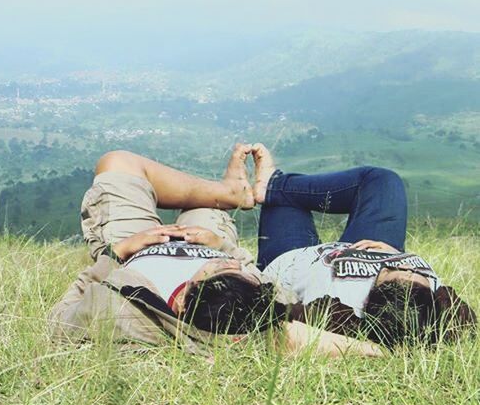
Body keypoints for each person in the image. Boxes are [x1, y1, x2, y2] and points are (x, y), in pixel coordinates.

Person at [49, 145, 382, 357]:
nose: (224, 263)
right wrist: (219, 247)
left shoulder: (130, 317)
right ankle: (232, 193)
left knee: (117, 161)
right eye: (229, 266)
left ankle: (226, 191)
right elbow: (336, 343)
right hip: (206, 237)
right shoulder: (255, 303)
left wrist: (117, 252)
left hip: (136, 244)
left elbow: (59, 324)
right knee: (209, 216)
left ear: (180, 301)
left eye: (210, 267)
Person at [252, 143, 477, 348]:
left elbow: (284, 336)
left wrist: (381, 352)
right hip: (369, 242)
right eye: (413, 271)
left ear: (370, 296)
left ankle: (271, 188)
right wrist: (392, 253)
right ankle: (276, 184)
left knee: (282, 202)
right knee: (383, 181)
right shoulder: (438, 308)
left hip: (290, 255)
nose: (405, 266)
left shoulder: (344, 315)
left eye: (391, 270)